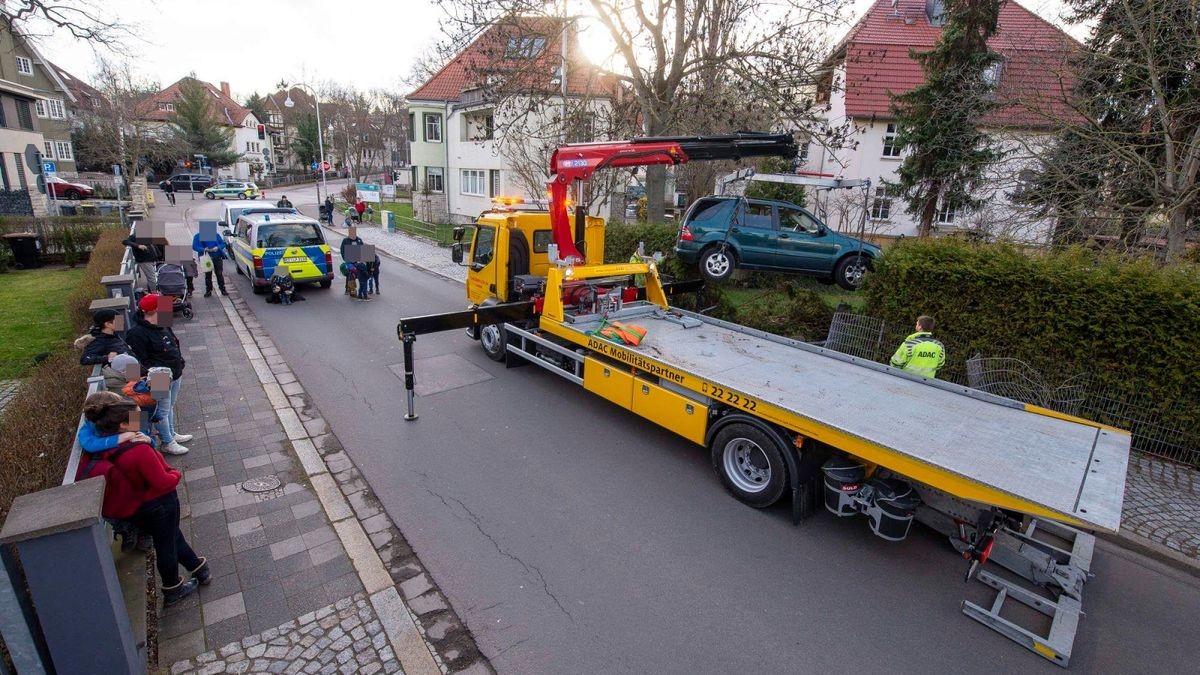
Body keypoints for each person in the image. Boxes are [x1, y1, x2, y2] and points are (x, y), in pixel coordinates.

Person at [80, 393, 210, 606]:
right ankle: (172, 588)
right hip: (160, 504)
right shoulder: (138, 450)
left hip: (138, 505)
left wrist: (148, 439)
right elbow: (164, 481)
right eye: (136, 418)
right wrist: (176, 473)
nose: (141, 421)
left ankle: (199, 568)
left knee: (172, 536)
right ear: (122, 425)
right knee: (166, 544)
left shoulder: (101, 443)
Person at [125, 294, 194, 449]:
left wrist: (179, 364)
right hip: (158, 377)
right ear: (153, 310)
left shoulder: (163, 323)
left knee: (169, 406)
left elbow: (173, 344)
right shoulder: (136, 334)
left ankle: (171, 433)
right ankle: (167, 442)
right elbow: (138, 361)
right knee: (161, 411)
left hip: (175, 373)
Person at [76, 308, 132, 391]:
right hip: (122, 381)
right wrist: (107, 358)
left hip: (133, 376)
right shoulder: (100, 340)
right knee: (157, 387)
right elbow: (84, 359)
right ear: (108, 324)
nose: (122, 322)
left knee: (157, 380)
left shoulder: (114, 335)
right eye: (118, 320)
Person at [191, 229, 228, 297]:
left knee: (219, 274)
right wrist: (204, 249)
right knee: (208, 275)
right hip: (206, 259)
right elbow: (194, 246)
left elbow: (223, 244)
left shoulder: (215, 235)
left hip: (217, 257)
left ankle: (222, 289)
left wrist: (218, 247)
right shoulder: (198, 236)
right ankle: (208, 290)